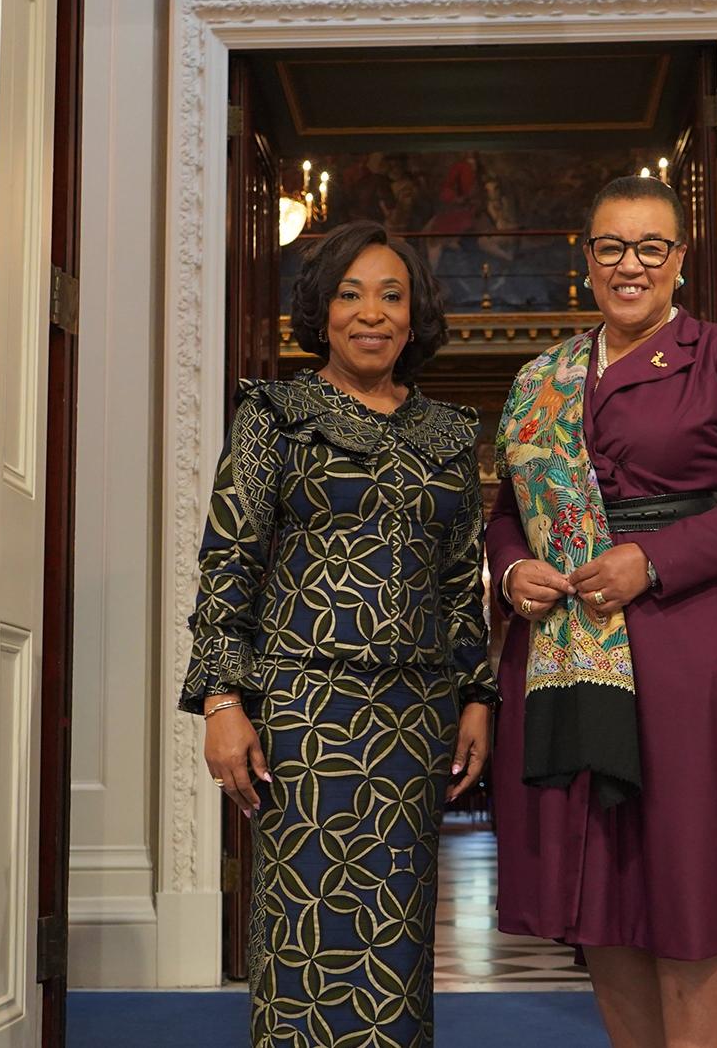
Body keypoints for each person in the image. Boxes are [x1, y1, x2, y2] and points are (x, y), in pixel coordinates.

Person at [488, 176, 717, 1047]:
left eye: (650, 247)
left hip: (695, 646)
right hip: (570, 650)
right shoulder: (544, 377)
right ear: (588, 260)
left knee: (691, 870)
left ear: (680, 259)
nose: (629, 265)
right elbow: (505, 512)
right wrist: (513, 569)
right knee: (604, 873)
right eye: (611, 247)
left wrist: (655, 560)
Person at [181, 220, 497, 1047]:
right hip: (302, 717)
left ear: (415, 314)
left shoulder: (451, 435)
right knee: (304, 929)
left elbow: (463, 579)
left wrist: (477, 696)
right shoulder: (273, 416)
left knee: (397, 937)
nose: (371, 313)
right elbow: (228, 563)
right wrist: (222, 700)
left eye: (391, 295)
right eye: (350, 294)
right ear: (321, 313)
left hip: (415, 719)